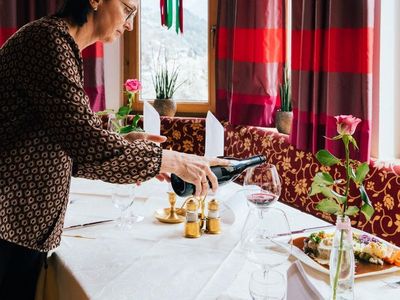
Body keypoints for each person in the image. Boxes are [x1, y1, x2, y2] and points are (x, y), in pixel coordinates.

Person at [0, 0, 227, 299]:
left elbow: (69, 146)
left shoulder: (58, 43)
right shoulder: (47, 42)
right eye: (128, 9)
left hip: (21, 225)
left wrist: (128, 146)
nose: (130, 24)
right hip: (10, 221)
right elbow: (87, 142)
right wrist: (171, 161)